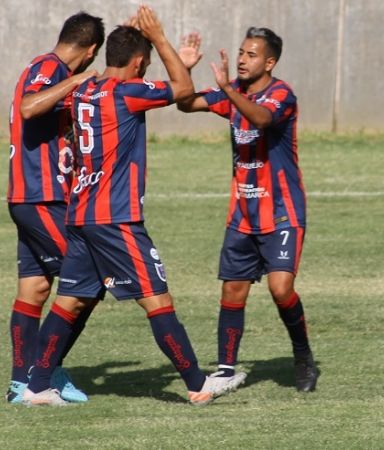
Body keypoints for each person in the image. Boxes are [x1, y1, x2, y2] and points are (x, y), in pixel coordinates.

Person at [22, 5, 247, 407]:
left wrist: (153, 50)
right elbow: (180, 91)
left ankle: (37, 386)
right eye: (145, 64)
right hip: (116, 218)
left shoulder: (83, 90)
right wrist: (161, 38)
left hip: (80, 214)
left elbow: (164, 79)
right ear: (140, 63)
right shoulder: (128, 93)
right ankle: (197, 384)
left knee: (70, 300)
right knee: (157, 300)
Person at [176, 27, 318, 391]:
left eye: (251, 54)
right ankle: (225, 370)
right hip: (243, 213)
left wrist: (225, 90)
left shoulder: (281, 95)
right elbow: (187, 103)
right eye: (241, 52)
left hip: (283, 211)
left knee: (281, 289)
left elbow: (261, 119)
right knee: (232, 292)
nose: (241, 59)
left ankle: (303, 356)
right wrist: (186, 68)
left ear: (269, 62)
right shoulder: (235, 93)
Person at [6, 11, 105, 404]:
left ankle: (21, 382)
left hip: (30, 196)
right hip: (41, 195)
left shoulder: (47, 69)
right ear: (91, 50)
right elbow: (30, 107)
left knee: (36, 288)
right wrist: (75, 80)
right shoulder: (49, 67)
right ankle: (44, 372)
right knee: (88, 282)